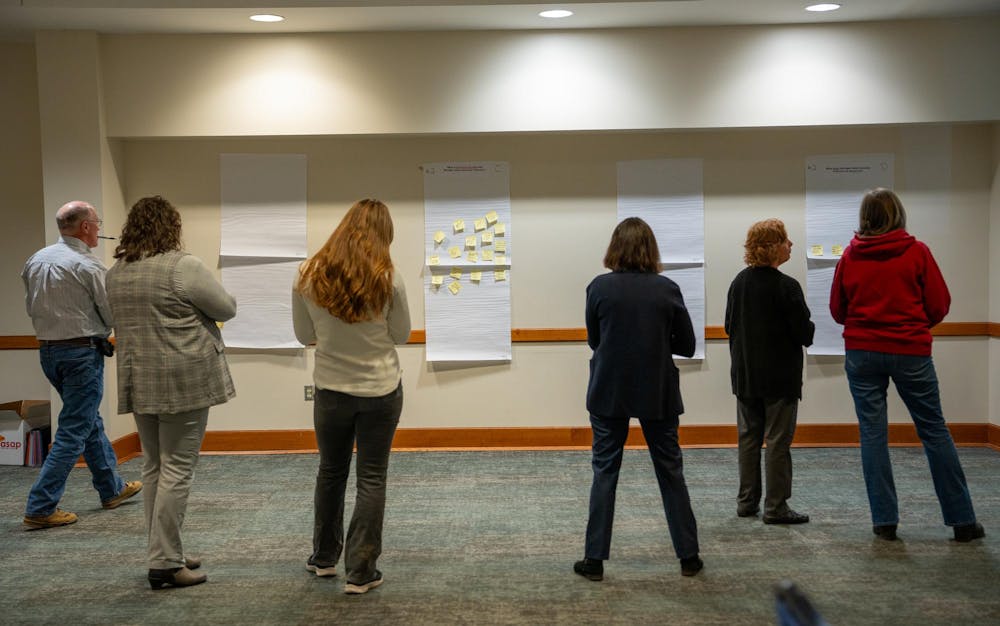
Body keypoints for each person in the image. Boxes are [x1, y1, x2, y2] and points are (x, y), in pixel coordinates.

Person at [830, 188, 984, 543]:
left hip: (862, 352)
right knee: (933, 430)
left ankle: (884, 522)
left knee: (872, 434)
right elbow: (939, 304)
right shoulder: (917, 252)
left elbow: (839, 310)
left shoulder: (851, 256)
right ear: (898, 214)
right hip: (911, 350)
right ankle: (962, 521)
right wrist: (911, 328)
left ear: (864, 217)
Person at [106, 196, 237, 589]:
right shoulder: (184, 266)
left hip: (139, 379)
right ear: (171, 227)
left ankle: (163, 549)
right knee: (177, 469)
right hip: (183, 380)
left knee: (153, 467)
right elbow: (226, 308)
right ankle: (164, 562)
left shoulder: (116, 272)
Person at [292, 198, 411, 595]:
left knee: (331, 471)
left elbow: (301, 334)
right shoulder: (389, 277)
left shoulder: (307, 274)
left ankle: (324, 559)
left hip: (331, 391)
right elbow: (402, 335)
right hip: (380, 389)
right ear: (384, 234)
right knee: (371, 478)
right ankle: (361, 572)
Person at [574, 217, 702, 581]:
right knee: (670, 471)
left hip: (608, 390)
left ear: (614, 248)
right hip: (657, 391)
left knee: (604, 472)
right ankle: (689, 556)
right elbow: (688, 346)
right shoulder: (668, 289)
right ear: (652, 250)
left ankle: (594, 560)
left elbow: (594, 340)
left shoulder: (598, 288)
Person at [21, 200, 142, 530]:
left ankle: (111, 488)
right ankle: (41, 505)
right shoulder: (88, 266)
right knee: (75, 427)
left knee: (87, 419)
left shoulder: (37, 259)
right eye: (97, 223)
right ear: (86, 227)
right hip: (81, 354)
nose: (100, 229)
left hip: (48, 352)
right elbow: (110, 313)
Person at [725, 219, 814, 525]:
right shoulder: (786, 286)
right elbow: (806, 334)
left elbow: (728, 327)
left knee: (748, 438)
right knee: (777, 441)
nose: (791, 245)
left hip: (746, 374)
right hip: (780, 377)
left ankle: (747, 502)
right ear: (774, 247)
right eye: (787, 240)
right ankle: (776, 507)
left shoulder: (738, 282)